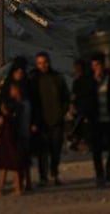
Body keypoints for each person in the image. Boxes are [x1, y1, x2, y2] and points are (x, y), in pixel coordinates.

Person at [77, 53, 110, 187]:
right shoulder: (88, 80)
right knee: (96, 148)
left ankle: (109, 165)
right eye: (93, 65)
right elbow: (84, 97)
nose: (96, 68)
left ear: (103, 65)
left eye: (98, 65)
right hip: (95, 119)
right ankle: (99, 175)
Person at [32, 52, 70, 187]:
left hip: (56, 120)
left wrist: (62, 112)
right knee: (42, 151)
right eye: (40, 63)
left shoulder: (57, 78)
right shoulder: (33, 79)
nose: (43, 66)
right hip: (40, 121)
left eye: (45, 62)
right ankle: (43, 177)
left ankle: (54, 174)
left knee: (56, 150)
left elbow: (66, 97)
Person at [0, 89, 26, 196]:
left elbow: (3, 133)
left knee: (4, 169)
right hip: (13, 146)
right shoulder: (14, 119)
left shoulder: (6, 120)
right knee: (15, 169)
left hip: (6, 147)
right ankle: (17, 188)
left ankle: (0, 189)